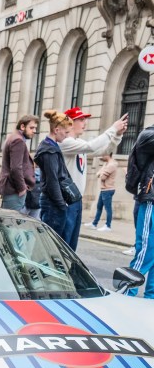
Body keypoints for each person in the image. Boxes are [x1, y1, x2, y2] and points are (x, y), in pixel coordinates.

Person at [59, 107, 127, 250]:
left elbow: (102, 150)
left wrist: (117, 135)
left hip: (76, 200)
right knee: (63, 244)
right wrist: (113, 129)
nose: (85, 123)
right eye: (81, 120)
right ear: (70, 122)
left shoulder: (78, 143)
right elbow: (92, 146)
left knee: (71, 246)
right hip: (66, 201)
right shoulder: (66, 143)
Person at [34, 110, 78, 246]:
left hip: (53, 202)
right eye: (65, 133)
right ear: (57, 129)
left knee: (51, 243)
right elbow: (53, 181)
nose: (66, 136)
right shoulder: (49, 150)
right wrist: (61, 205)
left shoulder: (51, 147)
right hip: (52, 204)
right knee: (49, 245)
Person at [125, 123, 154, 297]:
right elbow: (145, 141)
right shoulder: (148, 135)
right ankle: (127, 291)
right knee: (145, 250)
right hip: (151, 200)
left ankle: (151, 298)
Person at [0, 115, 37, 212]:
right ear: (22, 127)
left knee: (8, 221)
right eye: (31, 128)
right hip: (14, 190)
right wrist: (22, 188)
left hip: (12, 189)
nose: (34, 131)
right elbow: (15, 168)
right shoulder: (18, 140)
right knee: (10, 223)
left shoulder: (14, 137)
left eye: (35, 128)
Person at [88, 154, 118, 232]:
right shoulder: (106, 164)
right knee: (99, 207)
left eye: (102, 156)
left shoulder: (111, 165)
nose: (101, 158)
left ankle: (108, 226)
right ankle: (94, 223)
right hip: (104, 189)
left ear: (107, 155)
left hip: (108, 189)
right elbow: (98, 173)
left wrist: (101, 173)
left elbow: (102, 177)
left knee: (108, 208)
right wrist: (101, 173)